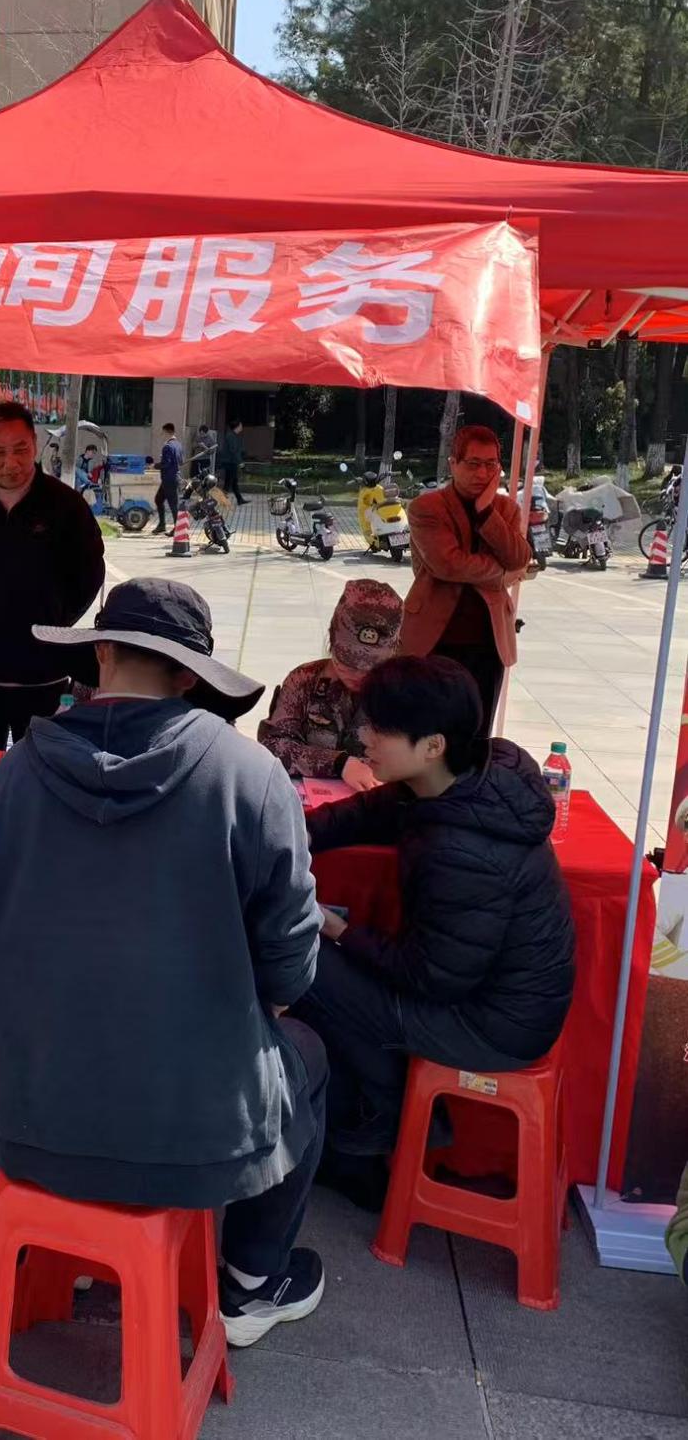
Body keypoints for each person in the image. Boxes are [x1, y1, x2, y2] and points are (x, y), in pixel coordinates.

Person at [0, 579, 329, 1348]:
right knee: (307, 1054)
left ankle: (60, 1248)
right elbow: (290, 964)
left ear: (101, 653)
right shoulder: (250, 776)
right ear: (187, 675)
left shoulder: (14, 772)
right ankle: (251, 1278)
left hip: (27, 1106)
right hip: (192, 1129)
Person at [298, 655, 575, 1207]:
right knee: (327, 972)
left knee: (305, 963)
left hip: (491, 1025)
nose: (364, 737)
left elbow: (431, 978)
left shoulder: (463, 851)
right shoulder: (466, 778)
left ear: (432, 745)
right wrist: (293, 834)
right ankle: (378, 1129)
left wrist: (337, 929)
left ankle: (376, 1133)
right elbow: (371, 811)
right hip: (477, 991)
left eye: (380, 729)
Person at [0, 401, 105, 749]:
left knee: (42, 763)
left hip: (45, 668)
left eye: (20, 449)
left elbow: (90, 574)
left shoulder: (66, 505)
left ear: (35, 444)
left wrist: (53, 620)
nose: (10, 462)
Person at [401, 424, 533, 736]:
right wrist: (501, 575)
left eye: (490, 464)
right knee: (427, 734)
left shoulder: (506, 510)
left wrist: (486, 513)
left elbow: (519, 558)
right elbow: (448, 564)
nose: (482, 473)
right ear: (453, 464)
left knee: (477, 733)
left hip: (489, 642)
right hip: (434, 639)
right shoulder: (426, 508)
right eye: (473, 464)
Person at [257, 580, 403, 786]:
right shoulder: (304, 680)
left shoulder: (405, 691)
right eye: (347, 662)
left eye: (371, 668)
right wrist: (338, 764)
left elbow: (422, 760)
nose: (358, 674)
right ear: (332, 641)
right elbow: (273, 746)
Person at [152, 422, 184, 534]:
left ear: (167, 432)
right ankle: (162, 525)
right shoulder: (178, 445)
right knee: (158, 499)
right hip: (172, 478)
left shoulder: (167, 447)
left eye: (163, 432)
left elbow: (166, 463)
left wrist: (155, 465)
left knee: (173, 504)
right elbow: (181, 461)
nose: (162, 435)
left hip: (169, 479)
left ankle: (177, 528)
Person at [221, 419, 246, 506]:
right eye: (241, 425)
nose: (242, 427)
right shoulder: (231, 436)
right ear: (237, 427)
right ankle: (224, 499)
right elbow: (234, 450)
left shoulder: (233, 435)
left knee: (231, 481)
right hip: (230, 462)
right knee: (230, 482)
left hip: (231, 461)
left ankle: (239, 499)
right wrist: (240, 462)